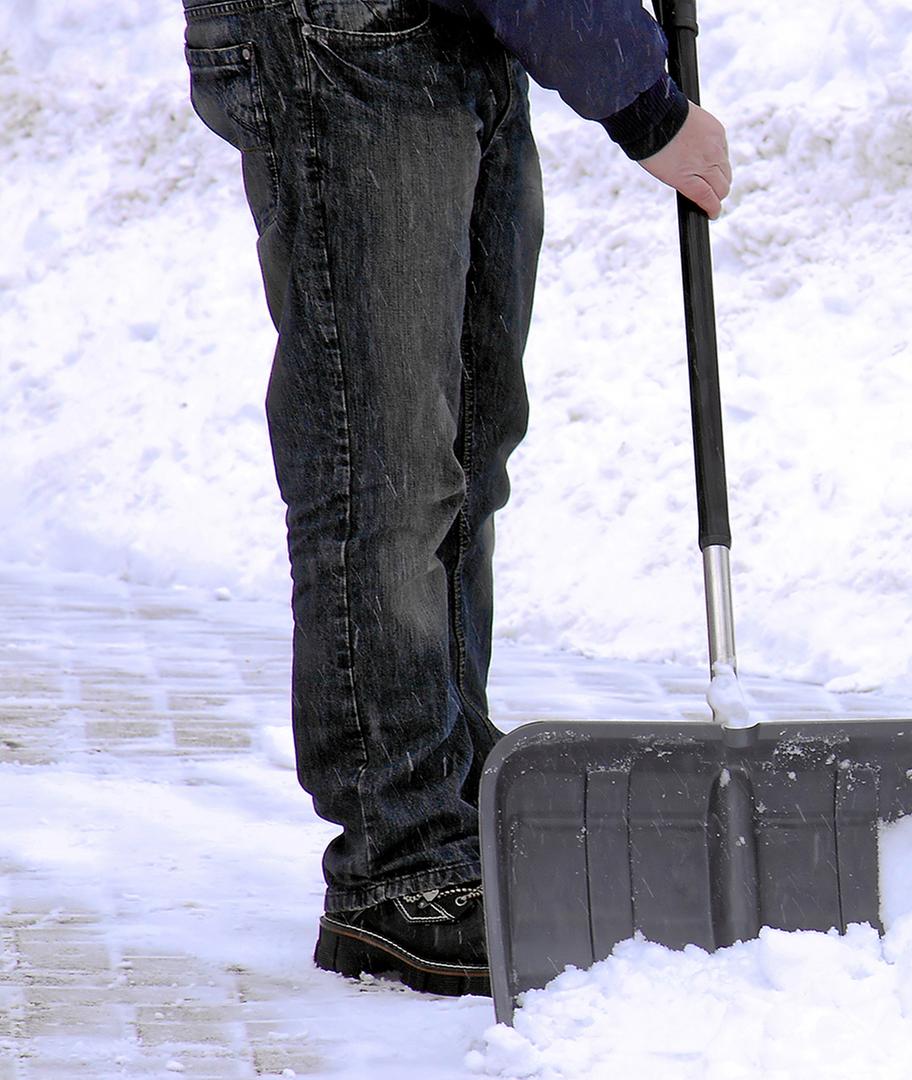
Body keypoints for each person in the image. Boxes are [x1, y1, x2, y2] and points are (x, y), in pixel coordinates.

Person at [181, 0, 730, 997]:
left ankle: (449, 817)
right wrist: (642, 100)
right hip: (342, 36)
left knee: (465, 452)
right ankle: (399, 867)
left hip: (461, 29)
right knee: (382, 459)